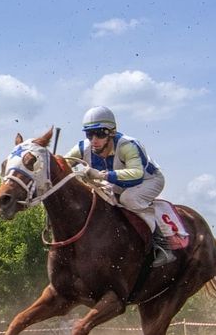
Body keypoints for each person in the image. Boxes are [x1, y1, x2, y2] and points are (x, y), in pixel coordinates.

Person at [65, 106, 175, 267]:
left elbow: (136, 175)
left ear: (112, 132)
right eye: (90, 134)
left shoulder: (127, 146)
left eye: (100, 133)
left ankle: (162, 243)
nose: (94, 140)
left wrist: (103, 175)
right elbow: (61, 163)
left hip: (148, 180)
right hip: (117, 182)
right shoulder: (83, 147)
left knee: (129, 198)